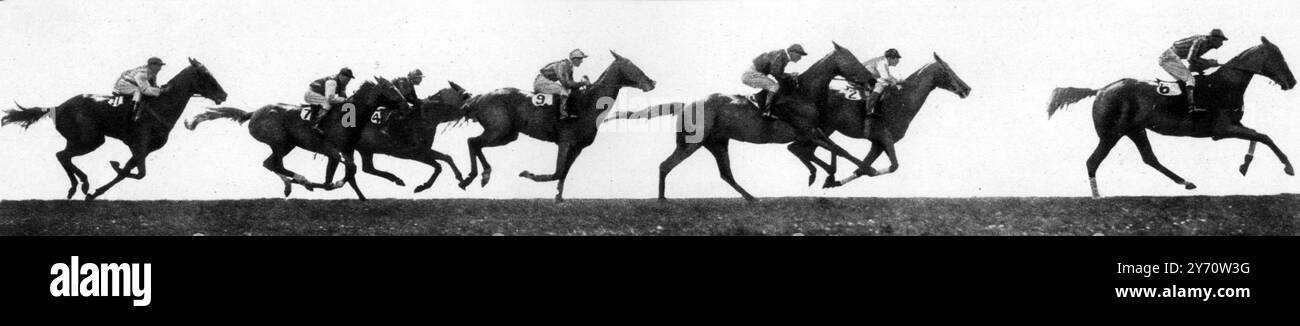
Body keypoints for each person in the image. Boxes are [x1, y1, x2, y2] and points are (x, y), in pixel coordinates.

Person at [1160, 28, 1228, 113]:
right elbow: (1191, 59)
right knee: (1190, 79)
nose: (1221, 44)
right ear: (1213, 39)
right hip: (1169, 57)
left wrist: (1205, 66)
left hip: (1171, 57)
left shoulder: (1207, 44)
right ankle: (1191, 106)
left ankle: (1180, 102)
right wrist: (1208, 62)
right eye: (1221, 41)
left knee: (1188, 79)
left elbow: (1193, 63)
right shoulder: (1201, 41)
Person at [742, 44, 806, 120]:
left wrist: (789, 75)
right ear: (792, 52)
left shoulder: (783, 56)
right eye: (799, 54)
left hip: (753, 73)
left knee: (772, 85)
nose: (800, 58)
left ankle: (756, 98)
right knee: (774, 86)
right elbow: (775, 72)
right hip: (750, 74)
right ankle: (766, 111)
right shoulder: (781, 54)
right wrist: (789, 76)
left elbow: (777, 72)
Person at [535, 49, 590, 122]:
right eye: (581, 59)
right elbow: (566, 83)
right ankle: (563, 115)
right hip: (541, 82)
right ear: (575, 59)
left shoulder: (569, 66)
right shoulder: (564, 65)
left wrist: (580, 84)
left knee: (568, 90)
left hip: (546, 81)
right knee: (563, 91)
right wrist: (583, 83)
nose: (582, 61)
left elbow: (571, 83)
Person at [860, 48, 902, 133]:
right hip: (864, 76)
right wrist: (895, 81)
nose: (898, 61)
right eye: (896, 58)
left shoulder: (884, 62)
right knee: (880, 86)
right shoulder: (882, 62)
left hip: (870, 75)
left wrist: (895, 80)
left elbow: (887, 75)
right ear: (890, 58)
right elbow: (885, 77)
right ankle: (869, 110)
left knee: (883, 84)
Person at [112, 57, 166, 122]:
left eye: (160, 66)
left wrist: (157, 88)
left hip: (132, 84)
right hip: (122, 85)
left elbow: (152, 85)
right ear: (152, 65)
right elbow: (145, 89)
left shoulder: (153, 73)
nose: (160, 68)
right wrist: (160, 91)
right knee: (138, 91)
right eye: (158, 66)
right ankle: (132, 113)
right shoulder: (142, 73)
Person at [304, 68, 355, 133]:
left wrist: (348, 100)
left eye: (349, 80)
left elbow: (343, 97)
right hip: (311, 94)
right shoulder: (332, 82)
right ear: (341, 76)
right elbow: (330, 99)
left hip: (319, 95)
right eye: (347, 79)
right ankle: (315, 125)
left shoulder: (342, 84)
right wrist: (345, 100)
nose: (348, 81)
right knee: (328, 103)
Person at [379, 69, 425, 136]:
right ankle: (386, 128)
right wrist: (418, 102)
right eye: (419, 77)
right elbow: (404, 95)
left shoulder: (410, 85)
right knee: (401, 109)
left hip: (394, 99)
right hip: (387, 98)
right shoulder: (403, 81)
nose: (421, 80)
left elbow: (414, 99)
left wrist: (422, 102)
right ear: (414, 77)